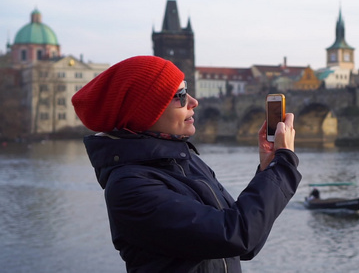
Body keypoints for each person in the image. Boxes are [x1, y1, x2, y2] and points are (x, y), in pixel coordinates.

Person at [71, 56, 301, 272]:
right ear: (146, 111)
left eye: (187, 90)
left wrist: (267, 167)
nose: (193, 101)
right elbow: (237, 234)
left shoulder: (185, 161)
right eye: (180, 95)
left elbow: (248, 244)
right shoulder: (131, 188)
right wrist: (283, 165)